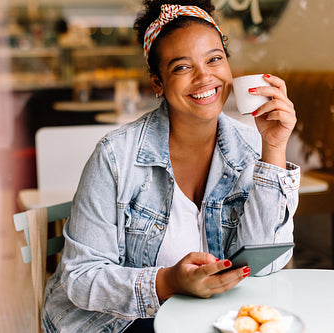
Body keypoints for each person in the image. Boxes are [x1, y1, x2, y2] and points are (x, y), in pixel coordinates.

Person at [41, 0, 299, 332]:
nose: (205, 76)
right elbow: (81, 277)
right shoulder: (116, 157)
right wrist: (168, 282)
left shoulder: (251, 147)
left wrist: (274, 148)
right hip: (116, 323)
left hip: (209, 316)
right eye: (182, 67)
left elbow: (269, 263)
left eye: (214, 59)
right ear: (158, 83)